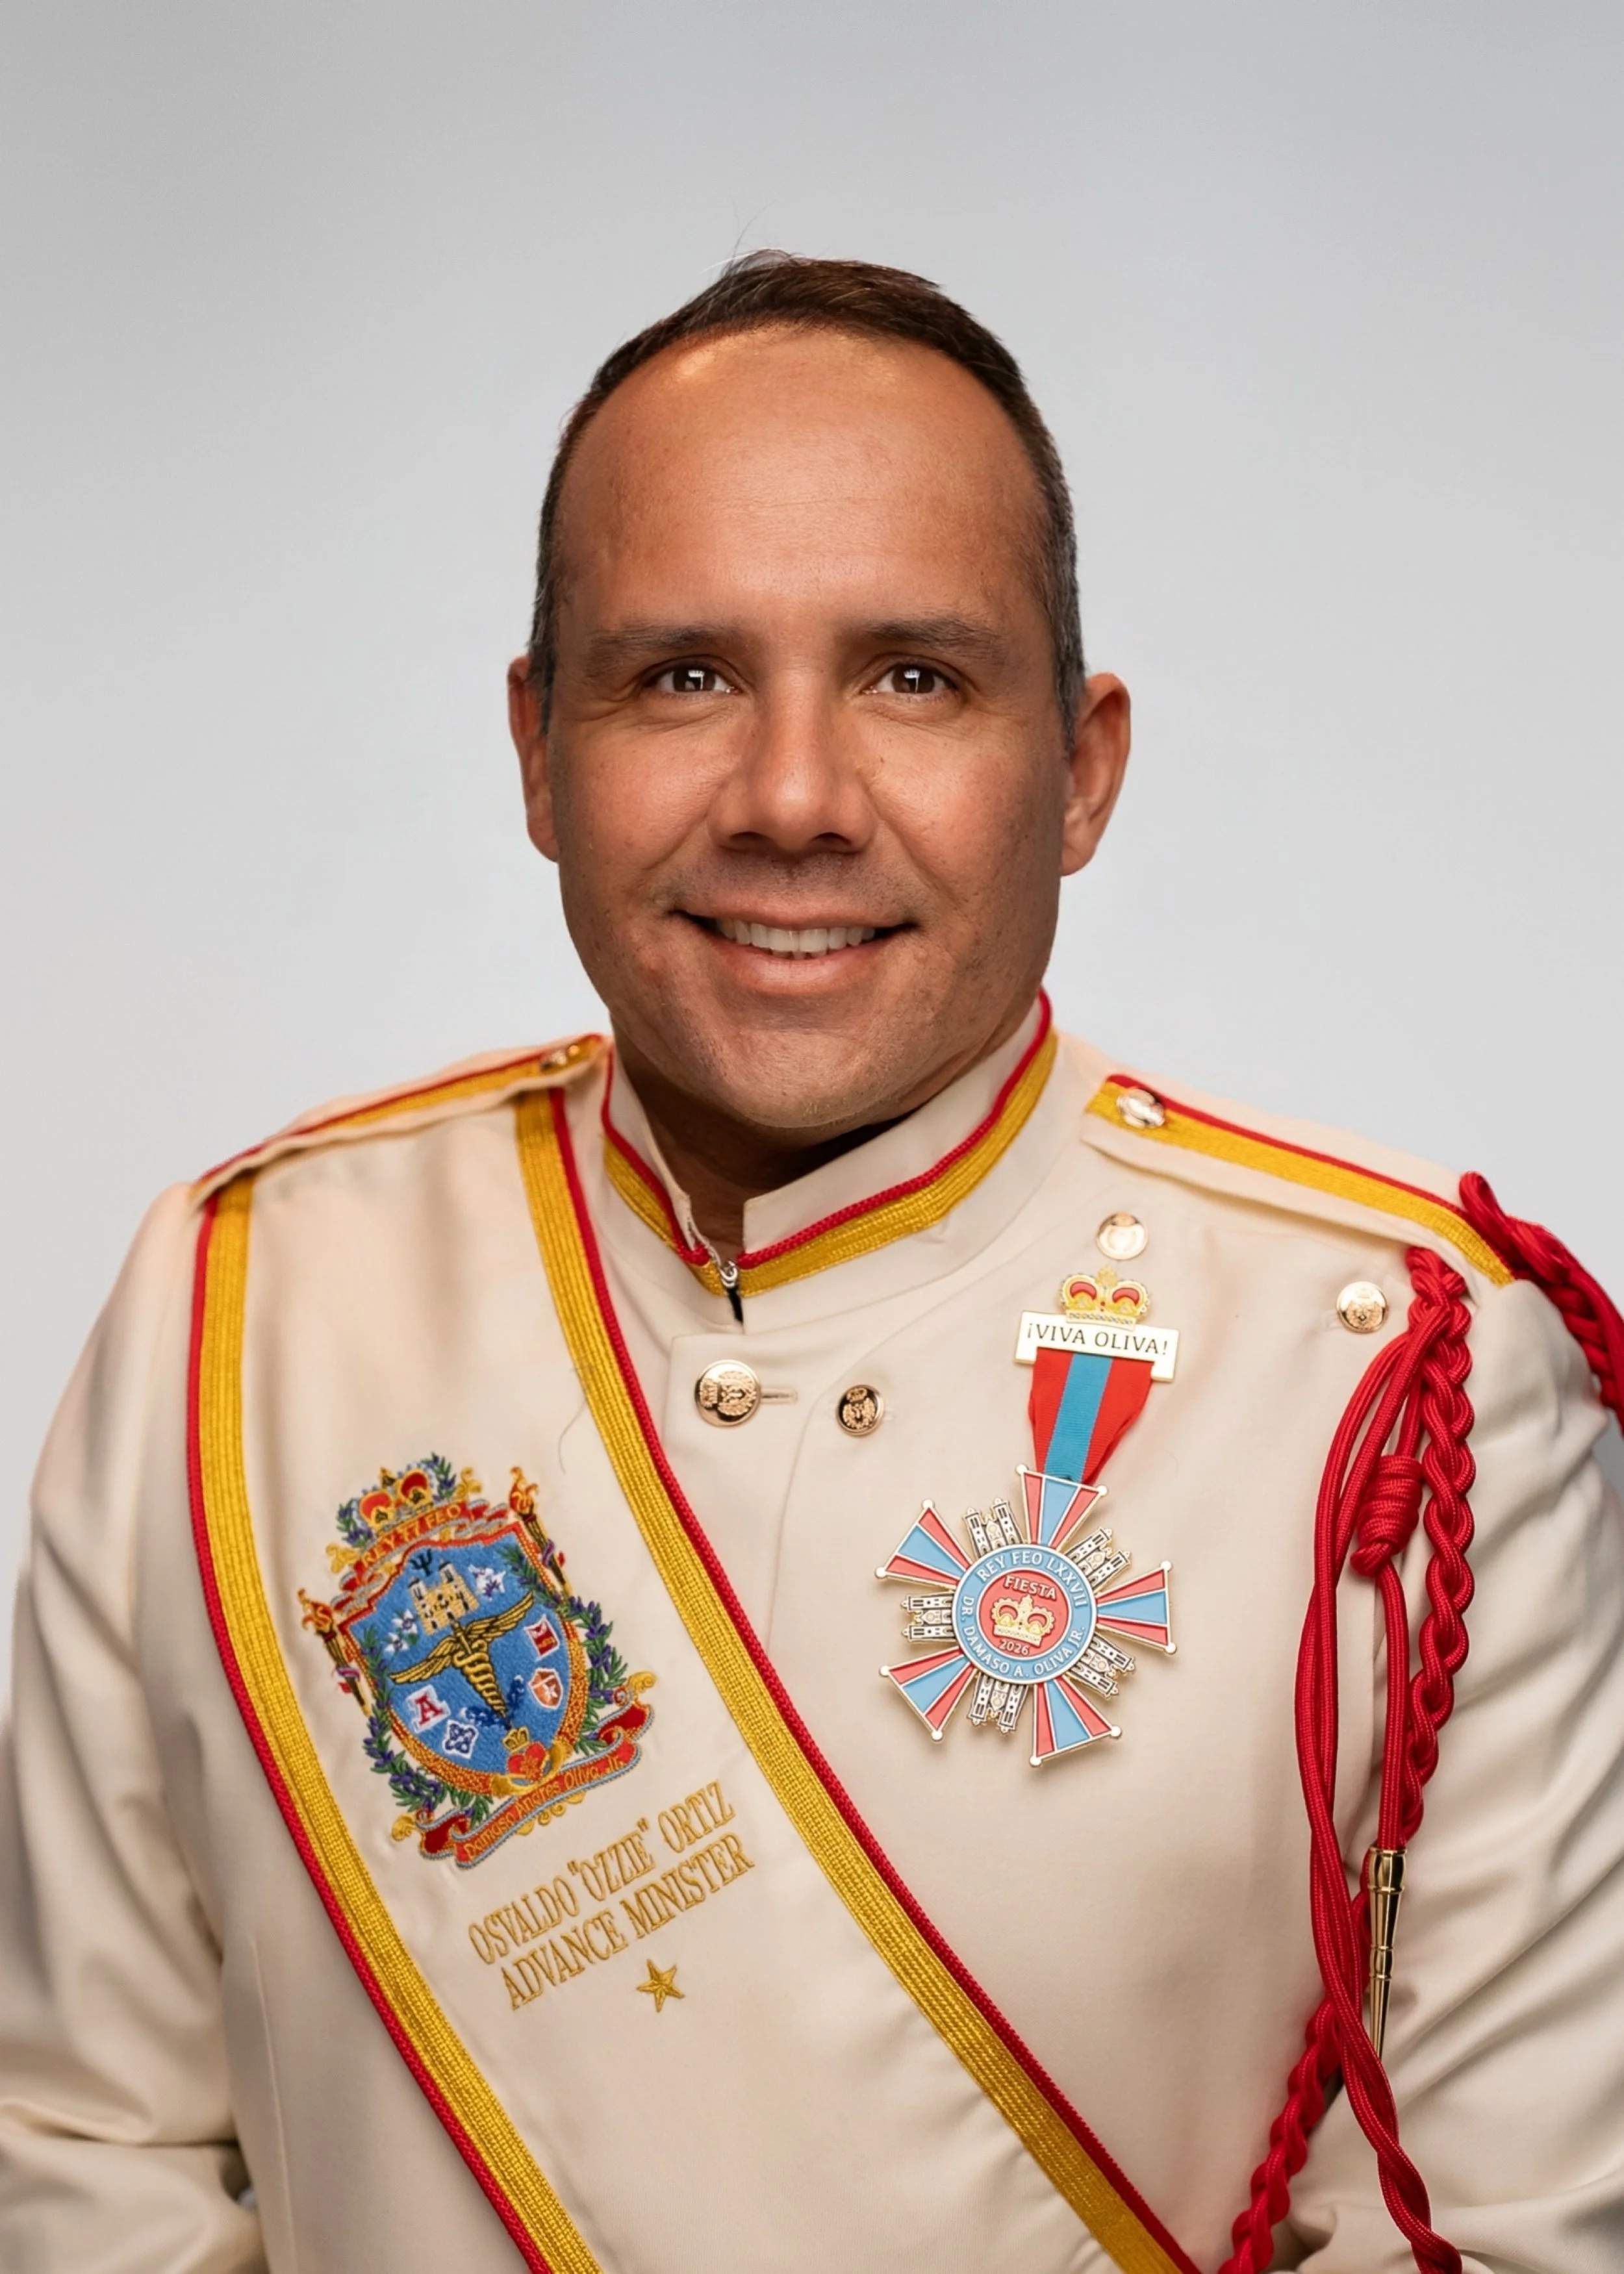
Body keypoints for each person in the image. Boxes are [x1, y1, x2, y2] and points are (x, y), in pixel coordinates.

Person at [2, 254, 1622, 2274]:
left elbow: (1500, 2233)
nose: (789, 799)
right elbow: (79, 2148)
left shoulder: (1401, 1365)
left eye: (914, 675)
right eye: (680, 673)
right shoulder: (242, 1303)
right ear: (534, 747)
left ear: (1085, 762)